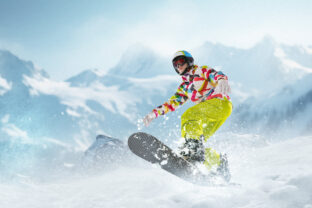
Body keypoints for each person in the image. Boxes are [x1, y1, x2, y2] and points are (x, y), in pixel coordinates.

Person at [143, 50, 232, 177]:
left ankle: (193, 153)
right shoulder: (184, 87)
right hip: (212, 113)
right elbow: (172, 103)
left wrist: (222, 79)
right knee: (196, 141)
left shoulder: (201, 71)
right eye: (175, 65)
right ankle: (219, 163)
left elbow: (215, 74)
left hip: (219, 104)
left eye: (181, 62)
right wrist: (153, 114)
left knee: (188, 117)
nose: (178, 66)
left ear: (189, 61)